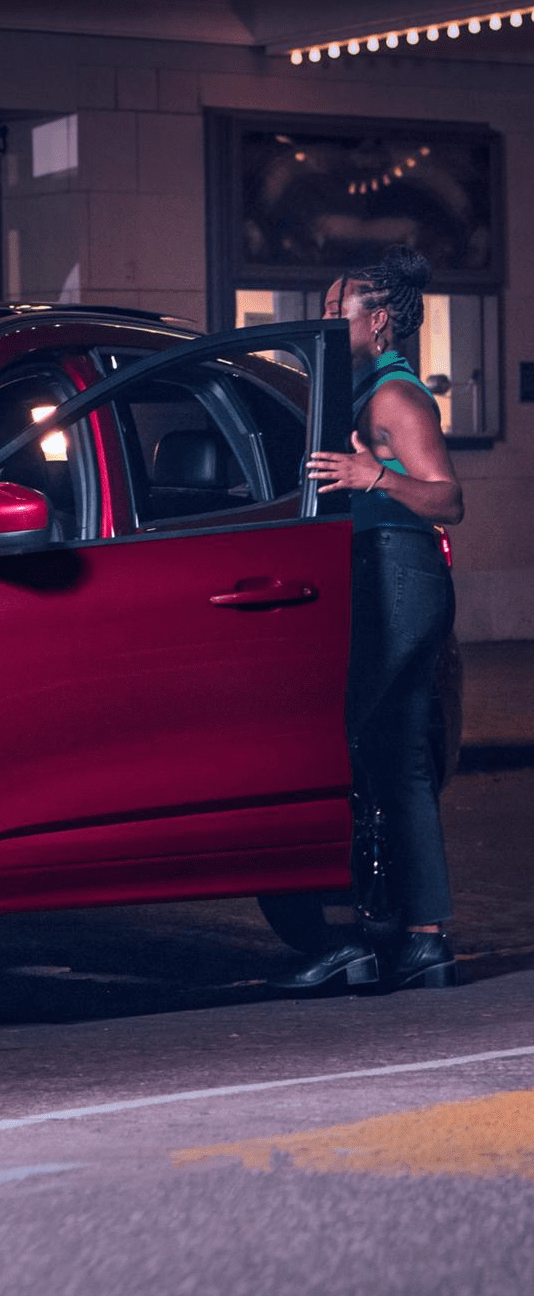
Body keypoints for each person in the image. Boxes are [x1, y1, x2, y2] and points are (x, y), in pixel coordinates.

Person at [279, 247, 465, 995]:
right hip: (383, 573)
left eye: (337, 309)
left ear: (378, 320)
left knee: (354, 743)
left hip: (399, 573)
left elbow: (447, 498)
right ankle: (423, 939)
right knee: (395, 759)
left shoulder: (395, 398)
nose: (326, 319)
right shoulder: (357, 390)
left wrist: (373, 475)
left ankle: (368, 929)